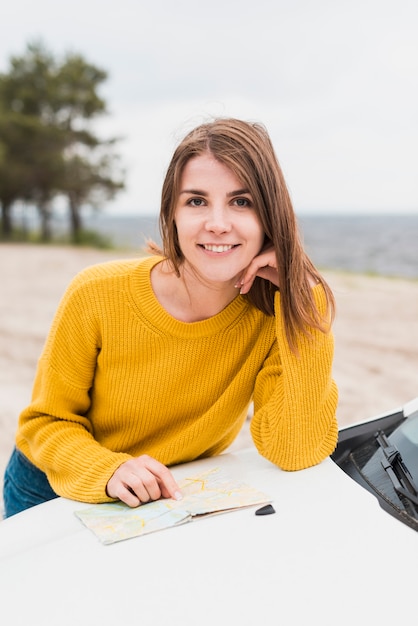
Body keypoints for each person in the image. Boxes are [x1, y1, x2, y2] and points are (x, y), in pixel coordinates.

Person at [3, 118, 339, 518]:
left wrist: (304, 300)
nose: (217, 224)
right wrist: (108, 469)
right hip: (52, 486)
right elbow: (44, 422)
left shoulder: (274, 316)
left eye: (241, 201)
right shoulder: (95, 293)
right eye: (196, 201)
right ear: (172, 213)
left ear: (270, 217)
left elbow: (296, 448)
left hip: (170, 494)